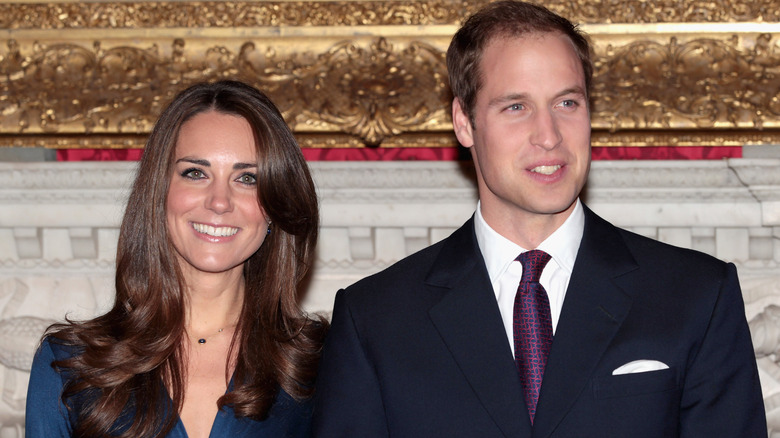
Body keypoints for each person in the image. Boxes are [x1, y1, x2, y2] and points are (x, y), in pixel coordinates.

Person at [312, 1, 766, 436]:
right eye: (516, 107)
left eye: (567, 103)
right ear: (464, 123)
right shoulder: (375, 320)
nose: (549, 136)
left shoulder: (697, 297)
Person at [25, 80, 326, 438]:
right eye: (195, 173)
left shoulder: (324, 363)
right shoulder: (70, 365)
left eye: (247, 178)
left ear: (275, 207)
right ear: (160, 192)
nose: (219, 201)